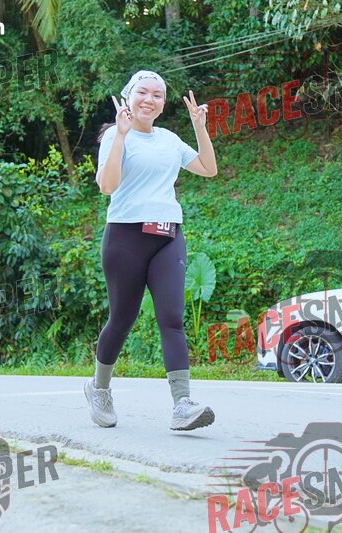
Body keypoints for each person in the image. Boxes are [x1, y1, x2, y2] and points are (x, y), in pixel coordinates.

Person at [85, 69, 218, 431]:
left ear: (163, 103)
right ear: (128, 98)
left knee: (172, 318)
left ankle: (182, 404)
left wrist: (199, 127)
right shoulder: (115, 135)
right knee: (122, 319)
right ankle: (99, 388)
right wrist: (121, 135)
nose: (150, 100)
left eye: (157, 95)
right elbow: (107, 186)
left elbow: (208, 168)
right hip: (125, 237)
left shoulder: (170, 140)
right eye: (142, 92)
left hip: (168, 236)